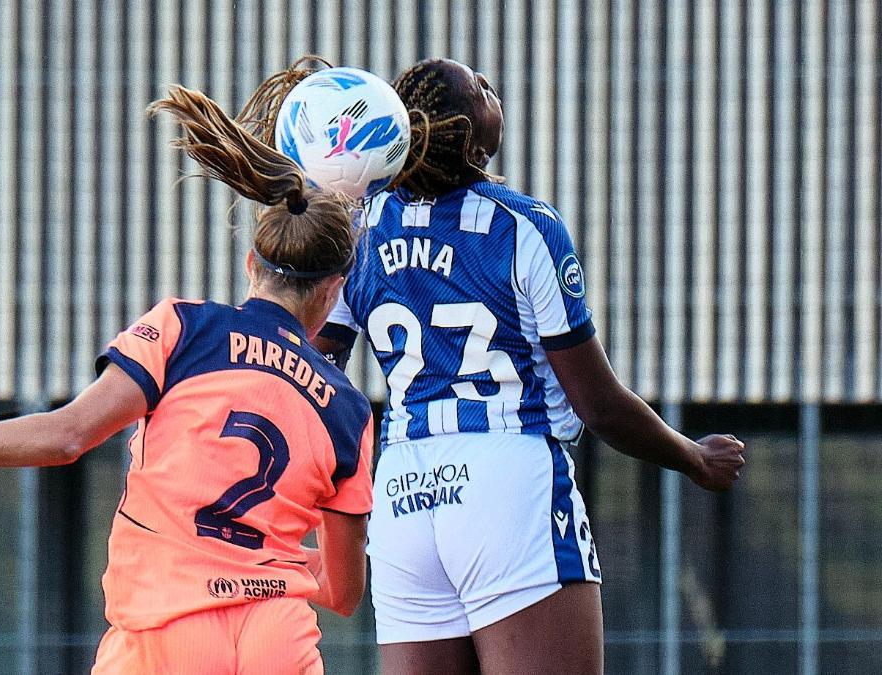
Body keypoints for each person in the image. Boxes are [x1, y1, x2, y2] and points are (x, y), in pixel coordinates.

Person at [0, 84, 375, 675]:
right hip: (276, 640)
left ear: (251, 262)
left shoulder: (185, 331)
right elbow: (342, 593)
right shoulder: (349, 412)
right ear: (334, 291)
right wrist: (266, 564)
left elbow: (67, 436)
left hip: (165, 637)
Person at [284, 58, 745, 674]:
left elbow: (316, 367)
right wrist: (692, 457)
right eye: (480, 87)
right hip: (508, 480)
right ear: (475, 140)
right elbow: (599, 406)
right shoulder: (524, 226)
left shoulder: (360, 231)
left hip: (402, 494)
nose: (491, 87)